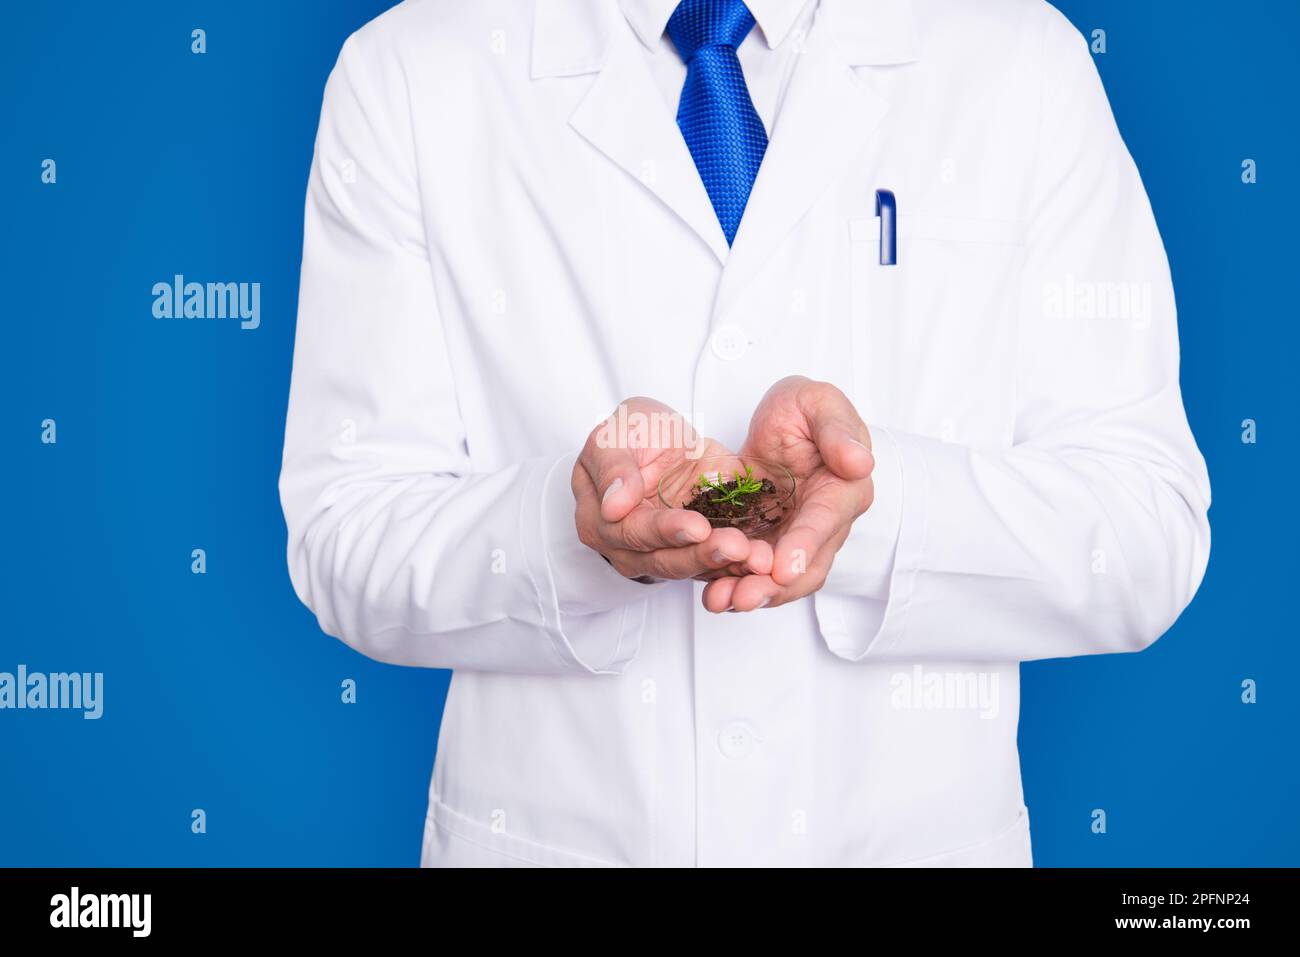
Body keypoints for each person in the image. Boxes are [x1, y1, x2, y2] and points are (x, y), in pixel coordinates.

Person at [280, 0, 1210, 867]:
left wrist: (866, 507)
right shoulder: (413, 68)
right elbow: (346, 530)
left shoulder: (1017, 56)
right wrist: (573, 530)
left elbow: (1144, 531)